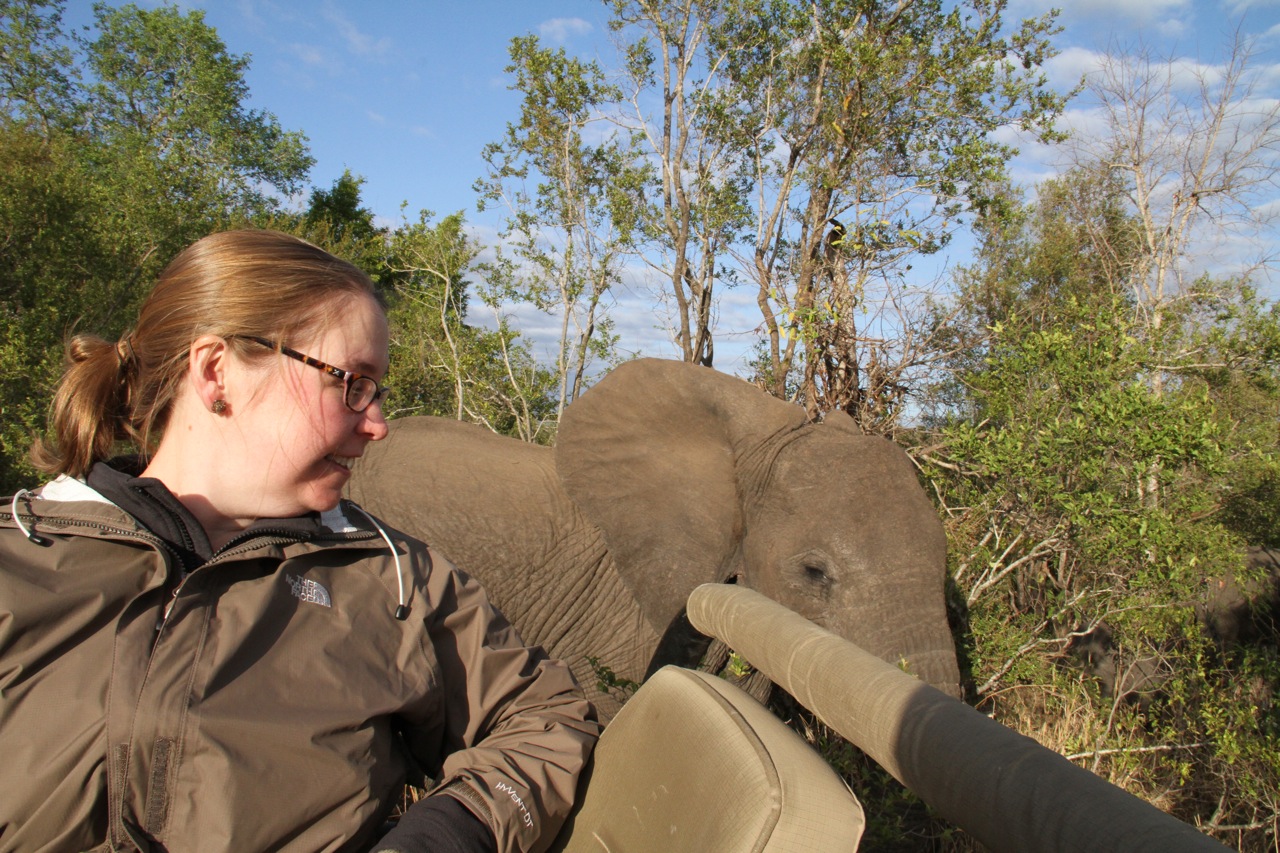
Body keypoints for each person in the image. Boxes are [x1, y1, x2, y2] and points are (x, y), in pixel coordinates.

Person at [0, 229, 599, 853]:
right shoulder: (19, 558)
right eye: (350, 382)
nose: (378, 424)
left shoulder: (396, 582)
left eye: (377, 389)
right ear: (216, 372)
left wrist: (448, 833)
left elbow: (546, 720)